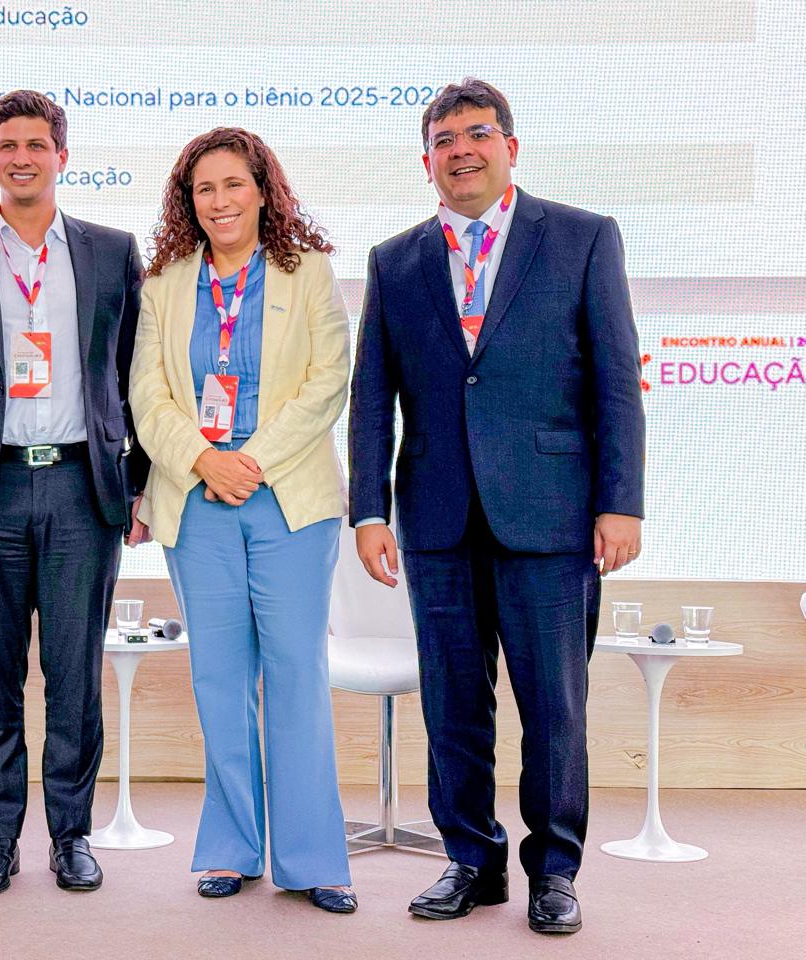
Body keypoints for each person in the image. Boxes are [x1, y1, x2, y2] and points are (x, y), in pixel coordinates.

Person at [348, 79, 646, 934]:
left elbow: (616, 381)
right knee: (452, 702)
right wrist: (369, 510)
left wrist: (619, 503)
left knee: (554, 706)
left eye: (477, 134)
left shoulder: (583, 238)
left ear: (510, 145)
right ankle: (469, 861)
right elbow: (374, 397)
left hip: (551, 517)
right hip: (437, 518)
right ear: (427, 162)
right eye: (444, 140)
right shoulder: (394, 261)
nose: (462, 151)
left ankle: (555, 872)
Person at [0, 90, 148, 896]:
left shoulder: (114, 252)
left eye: (37, 144)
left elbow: (133, 381)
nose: (23, 156)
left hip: (85, 487)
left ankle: (72, 835)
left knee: (76, 674)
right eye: (8, 144)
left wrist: (138, 483)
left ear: (62, 157)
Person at [129, 128, 356, 914]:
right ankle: (231, 848)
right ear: (187, 203)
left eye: (233, 185)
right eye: (203, 190)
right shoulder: (164, 284)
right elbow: (146, 396)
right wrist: (203, 460)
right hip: (197, 505)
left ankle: (312, 860)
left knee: (296, 677)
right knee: (219, 680)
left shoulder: (310, 273)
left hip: (289, 502)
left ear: (264, 190)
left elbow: (328, 384)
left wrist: (247, 460)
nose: (219, 202)